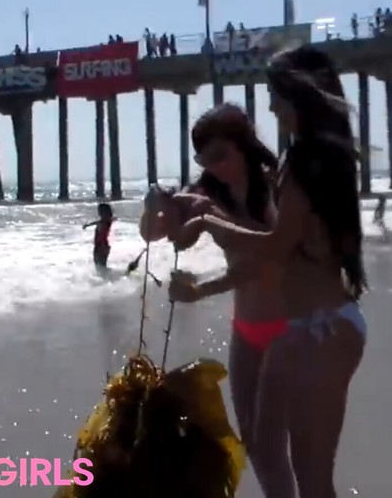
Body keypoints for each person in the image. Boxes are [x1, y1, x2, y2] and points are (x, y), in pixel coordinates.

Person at [159, 45, 367, 498]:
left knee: (309, 476)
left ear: (299, 95)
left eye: (276, 96)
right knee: (280, 456)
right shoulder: (319, 158)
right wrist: (167, 211)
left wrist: (209, 221)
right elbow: (287, 248)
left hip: (322, 326)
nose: (271, 108)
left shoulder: (301, 164)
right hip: (312, 326)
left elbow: (275, 247)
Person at [140, 103, 293, 495]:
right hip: (247, 330)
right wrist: (154, 207)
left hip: (291, 330)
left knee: (275, 444)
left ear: (244, 145)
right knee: (254, 444)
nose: (214, 167)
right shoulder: (208, 192)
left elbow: (271, 255)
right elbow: (154, 234)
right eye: (204, 159)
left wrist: (213, 224)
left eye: (221, 155)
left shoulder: (274, 186)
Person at [83, 203, 115, 268]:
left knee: (100, 265)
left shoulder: (106, 222)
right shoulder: (103, 221)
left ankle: (105, 274)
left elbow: (102, 234)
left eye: (100, 211)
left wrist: (102, 246)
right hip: (100, 245)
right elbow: (97, 222)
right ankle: (105, 274)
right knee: (100, 265)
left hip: (102, 245)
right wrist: (88, 225)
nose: (99, 213)